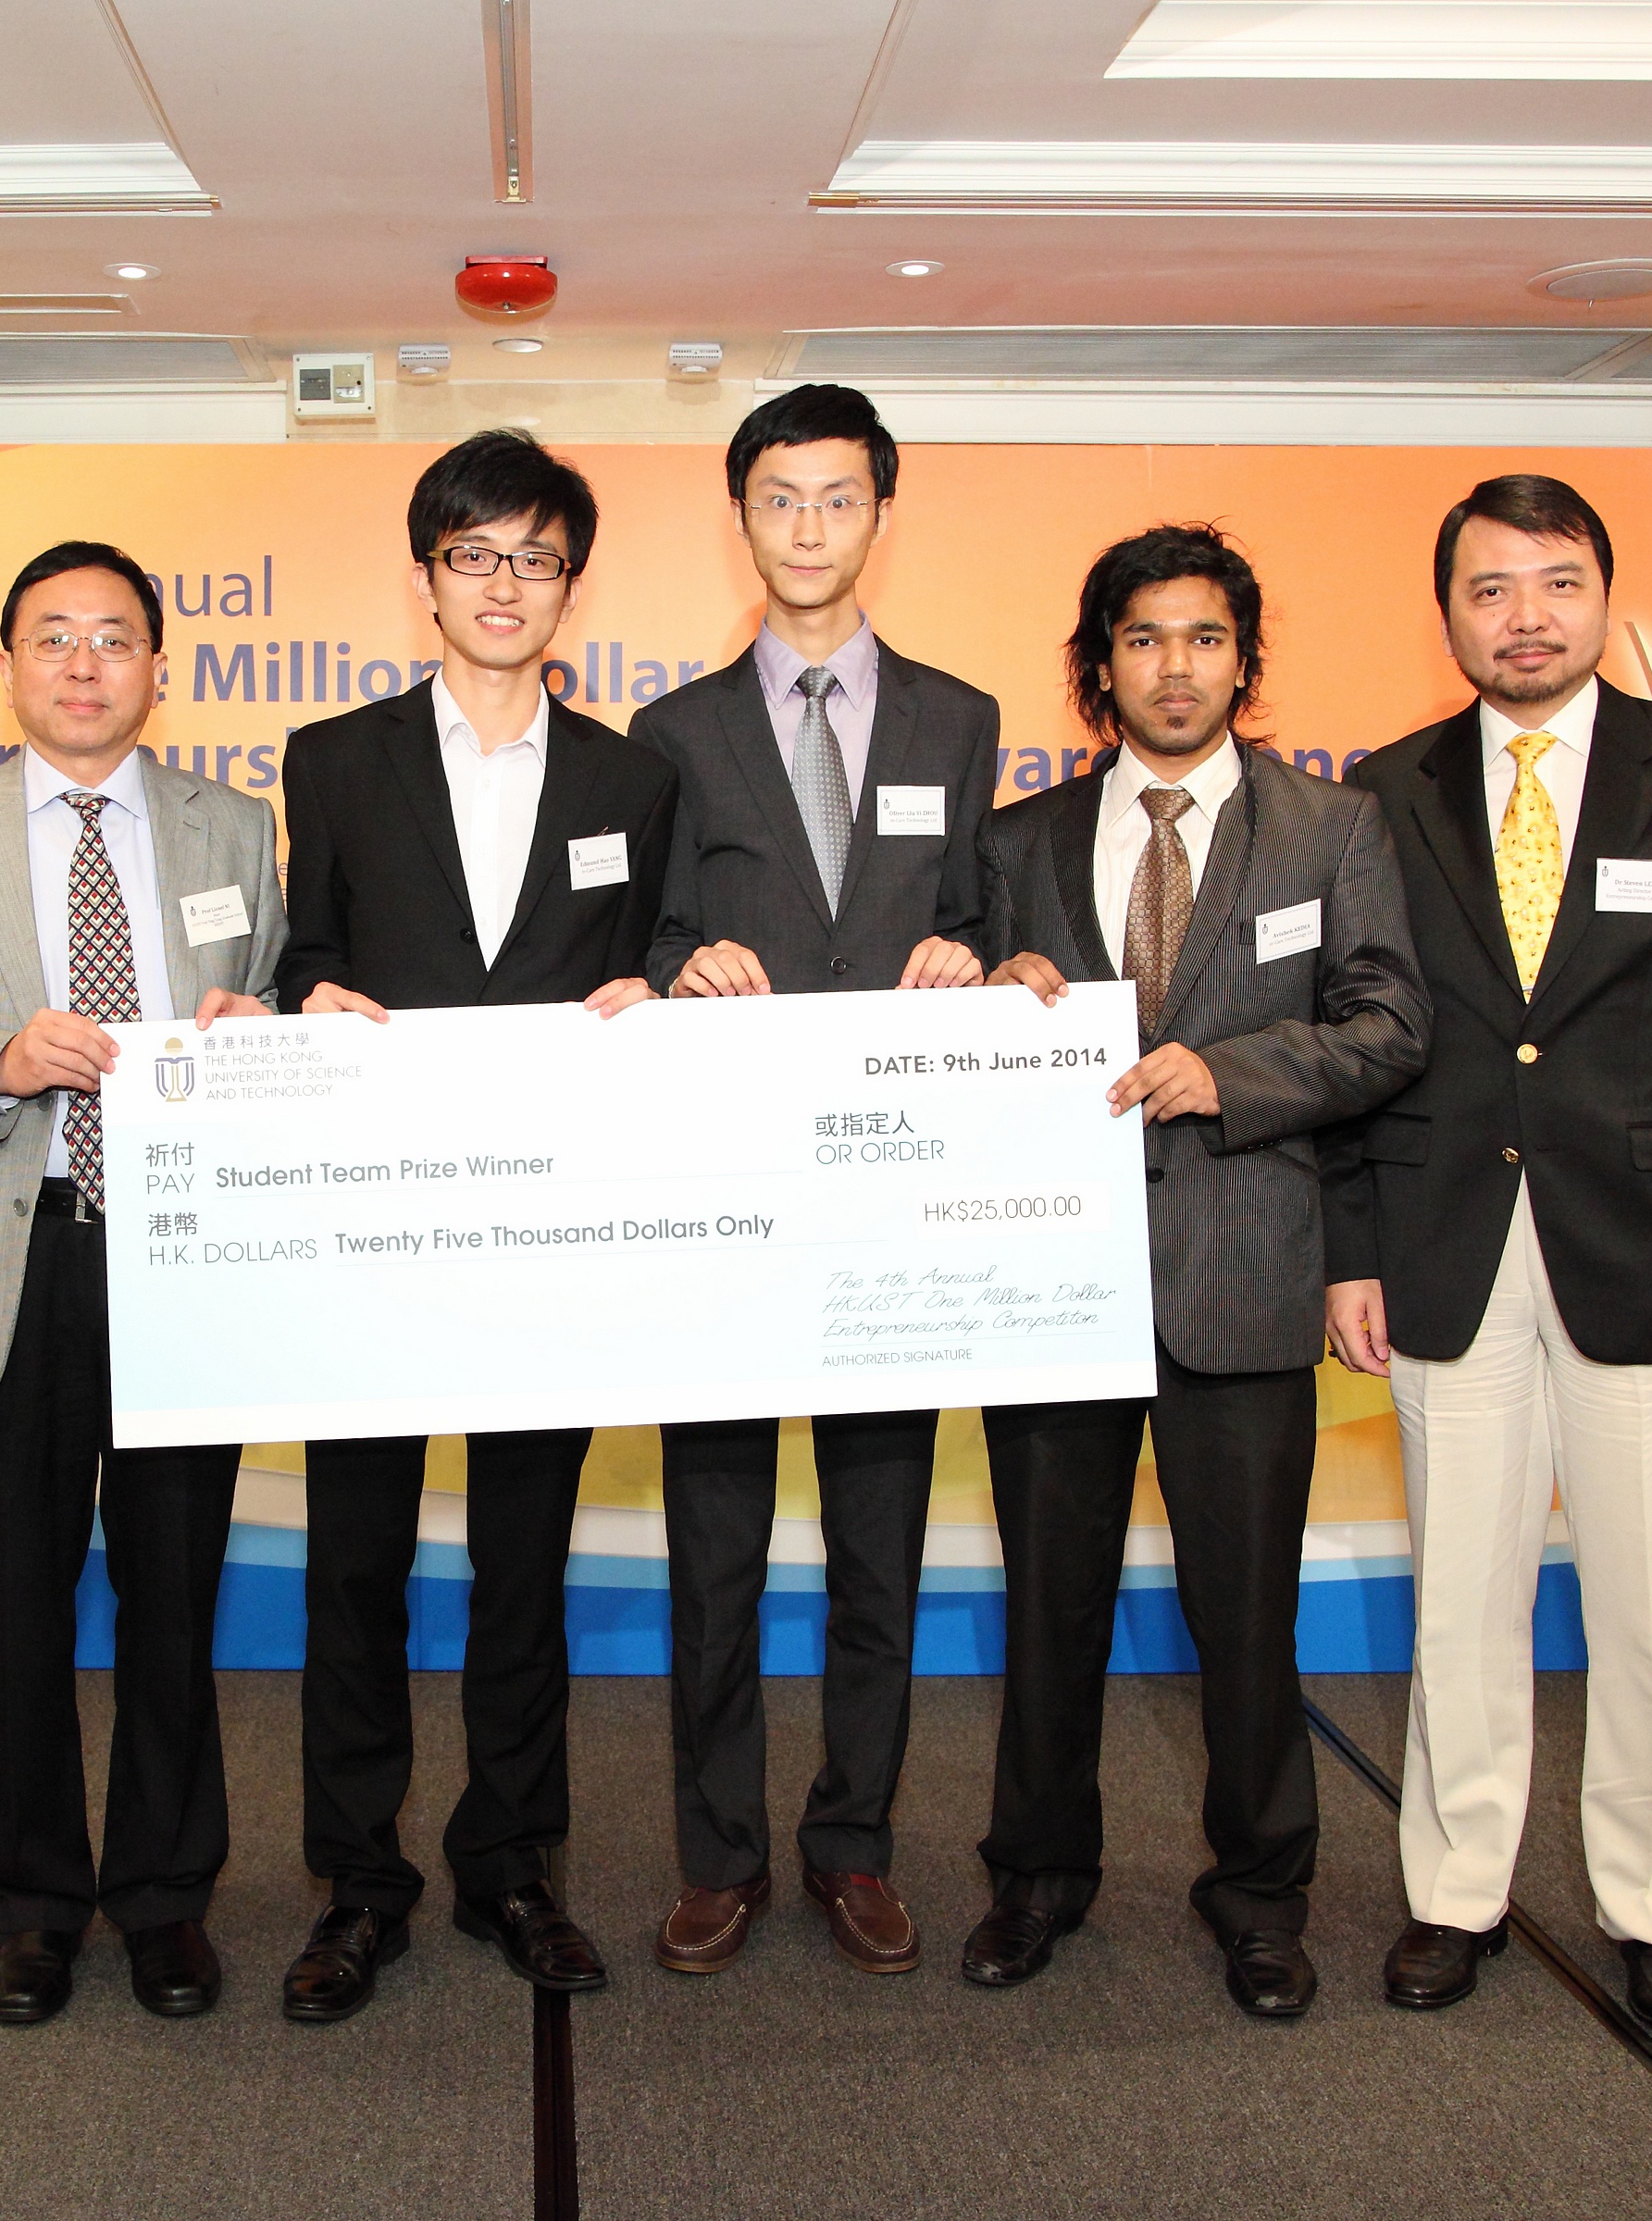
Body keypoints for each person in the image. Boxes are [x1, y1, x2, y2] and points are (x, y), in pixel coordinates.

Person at [1324, 475, 1652, 2039]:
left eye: (1555, 583)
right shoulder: (1387, 790)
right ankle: (1454, 1895)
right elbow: (1351, 1034)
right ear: (1450, 613)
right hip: (1442, 1249)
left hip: (1642, 1249)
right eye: (1491, 590)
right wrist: (1352, 1245)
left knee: (1646, 1614)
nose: (1525, 617)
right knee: (1460, 1605)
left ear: (1604, 596)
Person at [0, 540, 288, 2028]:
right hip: (5, 1257)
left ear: (161, 664)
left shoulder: (236, 829)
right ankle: (32, 1901)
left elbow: (272, 995)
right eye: (53, 637)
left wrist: (256, 1025)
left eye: (114, 638)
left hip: (183, 1260)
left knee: (173, 1600)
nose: (84, 664)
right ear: (10, 664)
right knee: (17, 1605)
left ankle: (163, 1898)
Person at [972, 525, 1430, 2016]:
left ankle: (1261, 1897)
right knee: (1049, 1606)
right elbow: (964, 1047)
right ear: (1099, 667)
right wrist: (996, 1001)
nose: (1176, 668)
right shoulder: (1017, 841)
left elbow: (1387, 1026)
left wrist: (1227, 1073)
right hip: (1052, 1289)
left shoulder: (1332, 829)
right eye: (1145, 640)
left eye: (1205, 639)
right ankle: (1036, 1880)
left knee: (1248, 1618)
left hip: (1244, 1271)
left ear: (1246, 658)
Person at [270, 432, 677, 2021]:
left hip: (548, 1245)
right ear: (426, 575)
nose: (504, 586)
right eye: (474, 556)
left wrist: (656, 988)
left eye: (535, 558)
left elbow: (655, 957)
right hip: (371, 1238)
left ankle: (513, 1867)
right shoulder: (335, 757)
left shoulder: (632, 779)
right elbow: (309, 943)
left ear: (571, 583)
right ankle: (357, 1885)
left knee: (525, 1571)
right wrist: (311, 991)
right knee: (353, 1572)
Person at [629, 383, 995, 1978]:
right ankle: (719, 1856)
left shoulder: (957, 720)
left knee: (878, 1544)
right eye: (779, 499)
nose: (807, 528)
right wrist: (678, 959)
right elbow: (631, 948)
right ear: (741, 517)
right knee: (711, 1556)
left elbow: (988, 912)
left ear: (880, 517)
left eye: (838, 499)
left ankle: (852, 1844)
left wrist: (972, 955)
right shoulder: (670, 734)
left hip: (891, 1206)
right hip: (725, 1203)